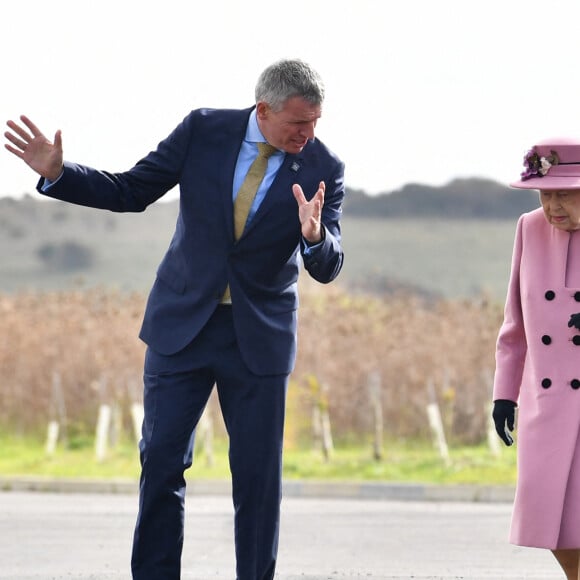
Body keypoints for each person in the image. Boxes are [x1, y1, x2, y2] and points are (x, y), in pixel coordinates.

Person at [4, 58, 345, 580]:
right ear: (263, 109)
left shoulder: (325, 166)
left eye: (316, 122)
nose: (309, 133)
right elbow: (131, 190)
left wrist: (315, 236)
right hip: (182, 327)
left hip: (259, 339)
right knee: (161, 463)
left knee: (257, 479)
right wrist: (58, 174)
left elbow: (328, 265)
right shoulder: (203, 130)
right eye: (299, 123)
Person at [492, 137, 580, 580]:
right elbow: (515, 326)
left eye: (564, 192)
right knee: (551, 519)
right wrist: (503, 395)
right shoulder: (529, 228)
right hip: (544, 404)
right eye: (545, 194)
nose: (552, 205)